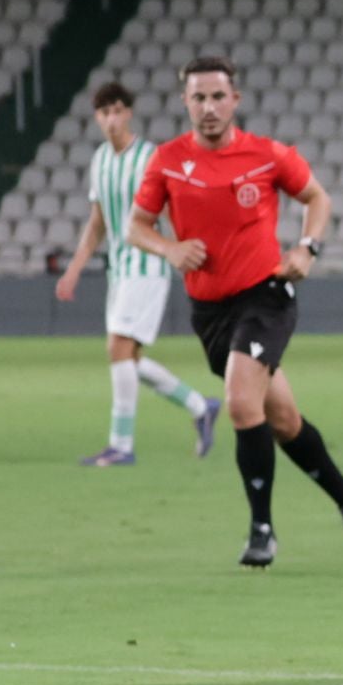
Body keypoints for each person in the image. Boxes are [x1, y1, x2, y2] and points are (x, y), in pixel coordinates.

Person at [127, 56, 343, 568]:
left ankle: (261, 530)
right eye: (198, 97)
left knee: (242, 404)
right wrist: (170, 249)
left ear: (235, 100)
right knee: (282, 420)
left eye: (218, 96)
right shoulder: (168, 161)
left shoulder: (266, 156)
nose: (209, 106)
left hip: (266, 296)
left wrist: (307, 248)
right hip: (209, 311)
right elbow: (136, 225)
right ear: (185, 103)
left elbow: (317, 197)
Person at [56, 82, 220, 465]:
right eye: (104, 113)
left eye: (117, 110)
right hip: (119, 268)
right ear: (97, 118)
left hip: (146, 265)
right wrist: (74, 269)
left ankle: (121, 445)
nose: (111, 119)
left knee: (118, 349)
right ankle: (200, 406)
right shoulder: (100, 160)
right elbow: (97, 222)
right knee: (127, 357)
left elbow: (174, 208)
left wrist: (185, 250)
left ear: (128, 112)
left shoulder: (150, 157)